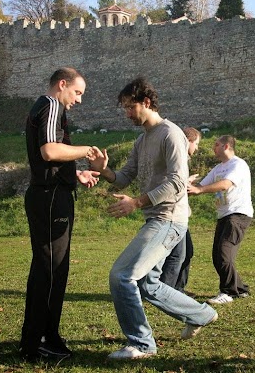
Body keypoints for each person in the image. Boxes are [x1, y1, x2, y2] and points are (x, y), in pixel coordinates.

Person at [88, 77, 217, 360]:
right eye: (124, 108)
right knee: (148, 284)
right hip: (156, 218)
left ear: (146, 102)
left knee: (122, 276)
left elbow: (177, 183)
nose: (127, 113)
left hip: (169, 218)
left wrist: (136, 202)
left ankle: (142, 344)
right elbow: (123, 179)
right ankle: (202, 314)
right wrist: (103, 171)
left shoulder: (171, 133)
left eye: (130, 107)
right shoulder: (142, 140)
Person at [20, 67, 100, 360]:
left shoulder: (45, 107)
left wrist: (74, 174)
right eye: (77, 92)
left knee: (48, 268)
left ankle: (40, 337)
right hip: (51, 199)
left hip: (50, 194)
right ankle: (41, 341)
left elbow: (50, 159)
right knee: (51, 270)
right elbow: (49, 152)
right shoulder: (51, 104)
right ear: (62, 85)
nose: (78, 100)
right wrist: (85, 152)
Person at [187, 135, 253, 305]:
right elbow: (200, 186)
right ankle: (240, 288)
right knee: (218, 255)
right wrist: (187, 185)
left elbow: (225, 184)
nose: (213, 148)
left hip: (238, 214)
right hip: (224, 215)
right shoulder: (218, 168)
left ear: (226, 146)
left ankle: (228, 292)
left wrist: (199, 190)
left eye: (216, 145)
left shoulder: (238, 164)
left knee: (224, 253)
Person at [161, 127, 202, 293]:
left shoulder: (181, 158)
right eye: (196, 144)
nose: (197, 148)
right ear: (189, 141)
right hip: (172, 214)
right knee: (177, 255)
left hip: (180, 214)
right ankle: (166, 291)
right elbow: (170, 184)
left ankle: (178, 289)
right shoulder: (178, 158)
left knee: (185, 252)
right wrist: (185, 185)